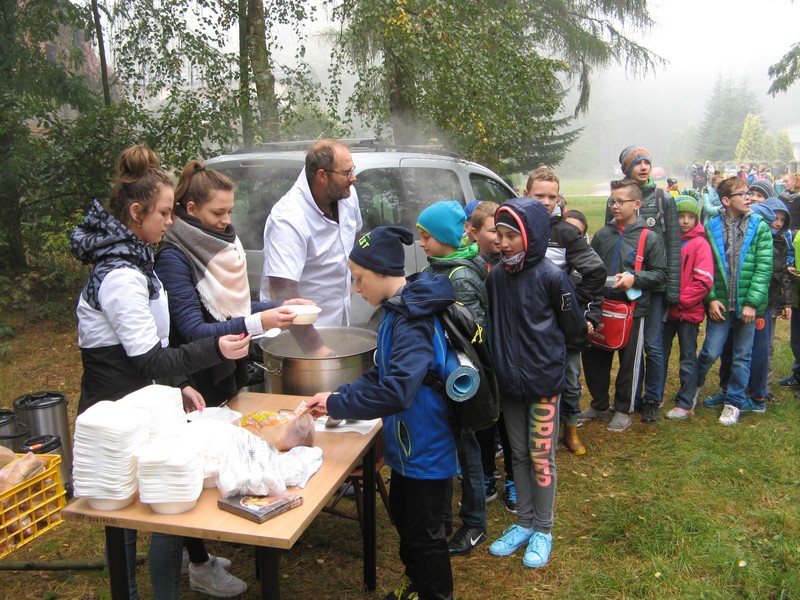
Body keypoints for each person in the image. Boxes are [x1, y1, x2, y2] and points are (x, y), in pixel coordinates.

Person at [69, 145, 251, 599]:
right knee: (129, 518)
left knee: (165, 503)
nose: (171, 222)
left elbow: (152, 347)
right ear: (137, 213)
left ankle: (192, 569)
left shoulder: (137, 259)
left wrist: (180, 384)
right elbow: (149, 360)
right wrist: (213, 348)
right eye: (164, 213)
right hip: (116, 417)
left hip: (143, 404)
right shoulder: (120, 276)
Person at [306, 226, 458, 600]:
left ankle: (435, 594)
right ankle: (415, 583)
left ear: (381, 272)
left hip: (427, 448)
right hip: (407, 448)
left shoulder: (413, 320)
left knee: (426, 535)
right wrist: (337, 396)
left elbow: (397, 391)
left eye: (359, 278)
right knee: (406, 521)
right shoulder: (395, 311)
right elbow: (381, 372)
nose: (356, 288)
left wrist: (339, 405)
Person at [155, 160, 307, 407]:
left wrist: (280, 306)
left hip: (223, 368)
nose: (226, 220)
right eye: (218, 212)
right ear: (192, 209)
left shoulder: (223, 247)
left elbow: (233, 309)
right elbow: (194, 331)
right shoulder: (174, 258)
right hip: (194, 382)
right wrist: (259, 322)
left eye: (230, 212)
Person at [485, 197, 585, 569]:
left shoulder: (552, 277)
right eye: (499, 234)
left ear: (531, 236)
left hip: (543, 384)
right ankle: (523, 523)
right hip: (510, 385)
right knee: (519, 455)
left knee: (542, 458)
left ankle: (543, 528)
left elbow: (573, 328)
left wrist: (549, 358)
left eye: (511, 235)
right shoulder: (496, 276)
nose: (503, 242)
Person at [416, 200, 490, 557]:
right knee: (446, 447)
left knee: (466, 450)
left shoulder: (458, 277)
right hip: (438, 378)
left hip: (459, 380)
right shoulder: (436, 267)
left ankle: (475, 523)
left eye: (427, 236)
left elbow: (471, 334)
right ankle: (443, 518)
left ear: (445, 236)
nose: (421, 243)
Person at [524, 166, 606, 455]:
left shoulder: (567, 233)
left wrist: (571, 302)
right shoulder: (515, 228)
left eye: (552, 196)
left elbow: (596, 271)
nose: (546, 202)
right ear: (526, 194)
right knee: (526, 374)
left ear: (559, 198)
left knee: (570, 377)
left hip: (561, 324)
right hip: (524, 321)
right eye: (539, 196)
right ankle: (528, 432)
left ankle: (570, 429)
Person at [580, 179, 668, 432]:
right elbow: (590, 267)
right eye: (612, 201)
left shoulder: (649, 237)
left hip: (633, 310)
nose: (615, 206)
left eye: (621, 201)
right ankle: (599, 404)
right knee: (594, 358)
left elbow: (661, 274)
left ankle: (623, 409)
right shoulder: (603, 235)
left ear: (637, 204)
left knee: (630, 363)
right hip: (601, 307)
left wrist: (635, 278)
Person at [260, 139, 363, 332]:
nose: (353, 178)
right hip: (298, 333)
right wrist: (315, 346)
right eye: (346, 173)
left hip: (340, 320)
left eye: (352, 170)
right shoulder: (288, 218)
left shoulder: (348, 195)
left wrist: (352, 279)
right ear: (322, 176)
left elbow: (355, 236)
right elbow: (283, 293)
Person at [696, 177, 773, 425]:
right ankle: (692, 389)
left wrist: (752, 303)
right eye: (742, 194)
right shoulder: (711, 227)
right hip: (720, 305)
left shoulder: (760, 226)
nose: (748, 198)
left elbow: (763, 267)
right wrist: (710, 298)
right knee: (710, 352)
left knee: (742, 356)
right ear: (726, 201)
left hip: (747, 307)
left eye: (748, 193)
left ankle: (734, 403)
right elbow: (705, 267)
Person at [612, 146, 679, 420]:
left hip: (655, 285)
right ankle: (633, 396)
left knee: (653, 343)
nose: (643, 167)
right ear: (627, 169)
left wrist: (672, 289)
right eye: (636, 163)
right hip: (627, 287)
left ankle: (652, 398)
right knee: (631, 346)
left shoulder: (664, 199)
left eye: (646, 162)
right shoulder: (616, 199)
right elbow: (614, 240)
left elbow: (673, 245)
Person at [466, 200, 517, 514]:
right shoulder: (469, 266)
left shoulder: (511, 263)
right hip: (481, 356)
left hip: (507, 353)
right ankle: (487, 473)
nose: (499, 238)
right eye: (492, 231)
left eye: (504, 232)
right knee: (484, 419)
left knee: (509, 424)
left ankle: (514, 479)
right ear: (473, 233)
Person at [717, 198, 792, 408]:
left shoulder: (779, 243)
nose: (777, 223)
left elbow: (777, 275)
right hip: (739, 302)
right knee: (731, 347)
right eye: (774, 218)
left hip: (763, 305)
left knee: (759, 350)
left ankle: (758, 395)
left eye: (781, 220)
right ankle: (729, 388)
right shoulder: (746, 238)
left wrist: (785, 302)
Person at [662, 196, 714, 419]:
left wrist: (680, 300)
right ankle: (655, 395)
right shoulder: (668, 240)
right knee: (659, 354)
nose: (685, 221)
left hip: (687, 311)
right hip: (666, 310)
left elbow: (704, 280)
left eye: (690, 217)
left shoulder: (700, 244)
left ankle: (685, 402)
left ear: (696, 219)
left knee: (687, 357)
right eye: (680, 216)